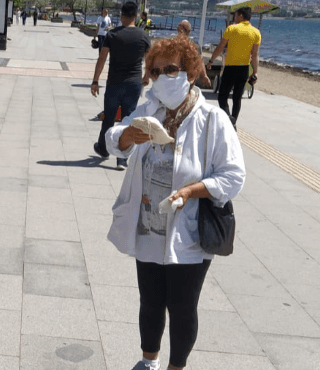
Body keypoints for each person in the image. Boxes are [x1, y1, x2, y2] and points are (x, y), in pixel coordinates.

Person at [103, 36, 245, 370]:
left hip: (189, 233)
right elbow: (115, 139)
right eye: (156, 71)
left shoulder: (213, 120)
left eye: (172, 69)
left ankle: (176, 366)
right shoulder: (148, 109)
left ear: (191, 73)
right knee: (150, 301)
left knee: (182, 306)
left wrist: (191, 191)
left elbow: (233, 176)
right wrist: (125, 137)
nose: (163, 77)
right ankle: (148, 361)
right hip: (149, 225)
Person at [90, 1, 151, 170]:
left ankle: (103, 148)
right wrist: (146, 76)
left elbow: (102, 58)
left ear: (122, 16)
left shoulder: (112, 35)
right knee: (127, 119)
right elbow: (151, 59)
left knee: (109, 118)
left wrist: (95, 81)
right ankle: (122, 159)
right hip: (134, 84)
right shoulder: (143, 36)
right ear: (136, 16)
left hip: (114, 83)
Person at [207, 7, 260, 125]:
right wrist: (255, 72)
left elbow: (220, 47)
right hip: (244, 69)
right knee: (237, 98)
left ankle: (228, 120)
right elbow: (255, 54)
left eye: (236, 16)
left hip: (231, 68)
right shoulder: (256, 32)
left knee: (222, 96)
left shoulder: (231, 28)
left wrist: (211, 60)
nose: (235, 18)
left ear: (241, 15)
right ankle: (233, 121)